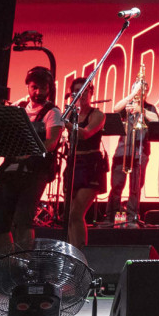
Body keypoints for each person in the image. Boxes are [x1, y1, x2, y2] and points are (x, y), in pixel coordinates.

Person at [0, 66, 62, 254]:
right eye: (34, 87)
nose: (38, 92)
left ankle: (25, 264)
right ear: (27, 86)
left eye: (42, 88)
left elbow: (52, 142)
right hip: (11, 170)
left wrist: (28, 151)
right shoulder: (17, 108)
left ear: (49, 88)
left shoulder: (53, 112)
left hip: (35, 171)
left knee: (23, 219)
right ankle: (8, 261)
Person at [106, 79, 159, 227]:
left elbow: (157, 120)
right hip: (123, 151)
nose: (140, 93)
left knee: (135, 187)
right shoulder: (127, 105)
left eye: (143, 91)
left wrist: (141, 109)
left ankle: (132, 218)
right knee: (116, 185)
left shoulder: (150, 108)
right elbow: (116, 109)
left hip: (140, 152)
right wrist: (131, 95)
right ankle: (111, 217)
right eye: (138, 90)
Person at [62, 78, 106, 250]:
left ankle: (79, 253)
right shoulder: (71, 115)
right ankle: (73, 251)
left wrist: (65, 123)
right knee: (69, 216)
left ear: (91, 93)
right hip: (73, 163)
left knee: (76, 213)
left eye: (85, 91)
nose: (81, 95)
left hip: (91, 165)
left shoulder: (97, 114)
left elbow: (86, 134)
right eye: (77, 92)